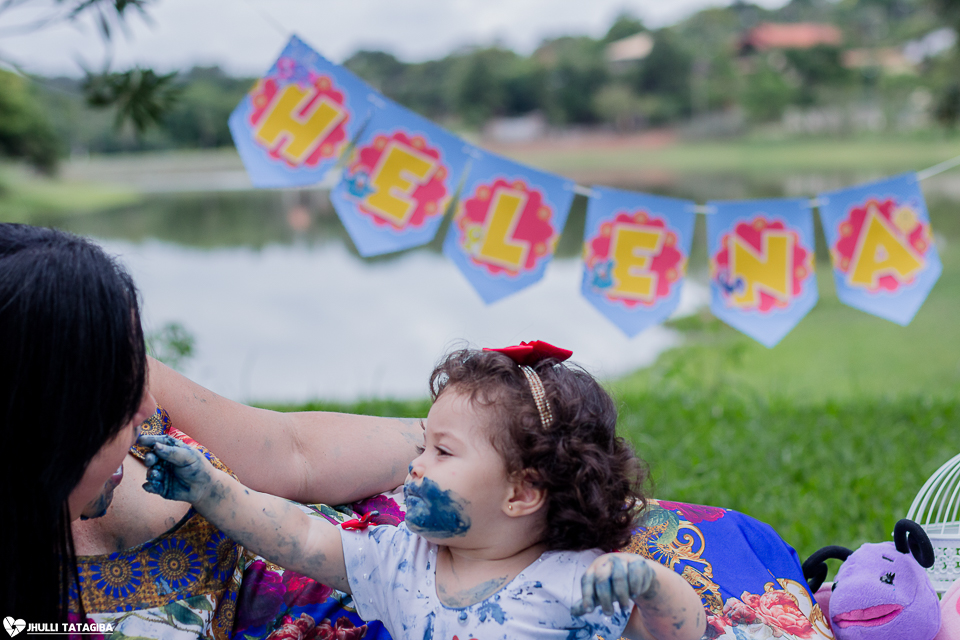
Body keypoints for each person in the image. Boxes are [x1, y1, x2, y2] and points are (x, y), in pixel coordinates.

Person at [0, 223, 423, 632]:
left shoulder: (93, 353)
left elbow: (294, 453)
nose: (146, 404)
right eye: (116, 395)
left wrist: (463, 437)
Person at [139, 343, 707, 640]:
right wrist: (210, 487)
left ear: (521, 493)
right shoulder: (401, 564)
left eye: (442, 452)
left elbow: (679, 633)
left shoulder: (573, 580)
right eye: (422, 445)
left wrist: (650, 584)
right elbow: (299, 535)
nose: (415, 465)